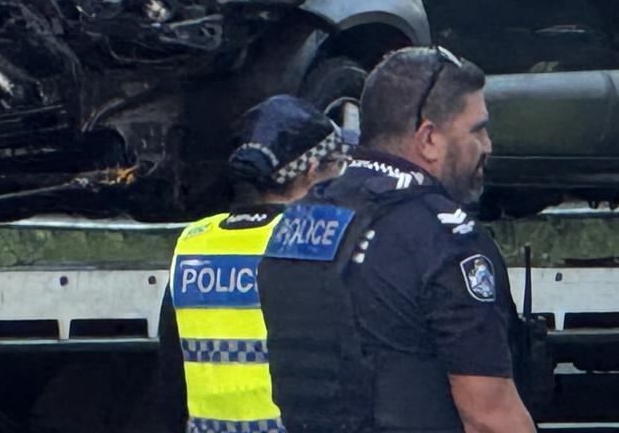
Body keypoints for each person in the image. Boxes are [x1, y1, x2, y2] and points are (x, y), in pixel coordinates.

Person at [257, 47, 536, 433]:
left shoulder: (300, 220)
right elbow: (489, 418)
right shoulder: (442, 237)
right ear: (429, 138)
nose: (486, 145)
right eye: (476, 129)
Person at [158, 94, 353, 433]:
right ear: (311, 171)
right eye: (336, 165)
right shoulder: (316, 241)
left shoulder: (196, 241)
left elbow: (172, 375)